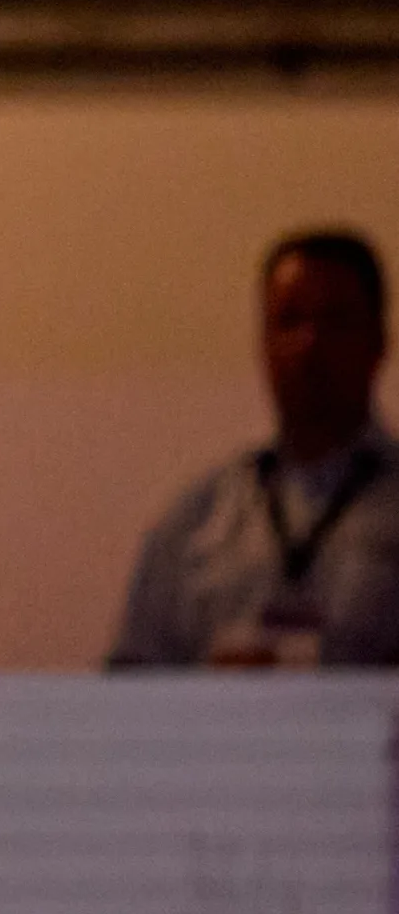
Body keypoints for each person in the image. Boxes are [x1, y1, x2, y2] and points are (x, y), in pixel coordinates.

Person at [110, 228, 399, 669]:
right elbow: (131, 685)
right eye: (289, 320)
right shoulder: (196, 519)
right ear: (263, 342)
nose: (310, 344)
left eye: (335, 320)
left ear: (379, 341)